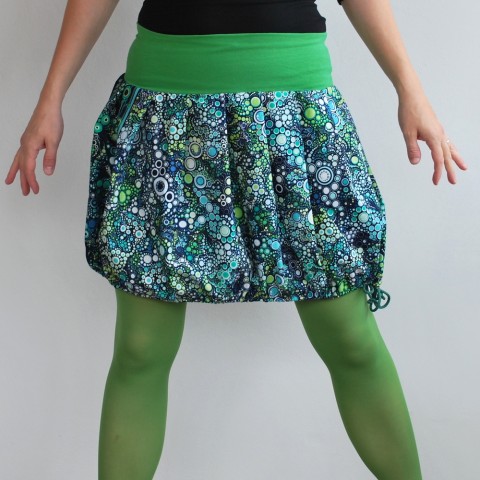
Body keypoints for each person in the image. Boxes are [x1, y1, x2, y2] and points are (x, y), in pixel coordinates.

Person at [4, 0, 468, 479]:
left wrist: (410, 87)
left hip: (293, 116)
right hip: (167, 114)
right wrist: (50, 98)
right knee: (141, 347)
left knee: (350, 337)